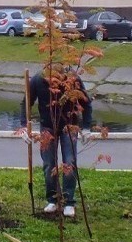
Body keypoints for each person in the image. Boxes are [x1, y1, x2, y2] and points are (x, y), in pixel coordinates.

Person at [17, 65, 93, 217]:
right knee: (48, 164)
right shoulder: (38, 80)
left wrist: (86, 127)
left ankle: (69, 201)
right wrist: (24, 126)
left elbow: (86, 102)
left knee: (69, 162)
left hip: (69, 125)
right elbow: (26, 103)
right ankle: (52, 199)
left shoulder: (73, 79)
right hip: (47, 126)